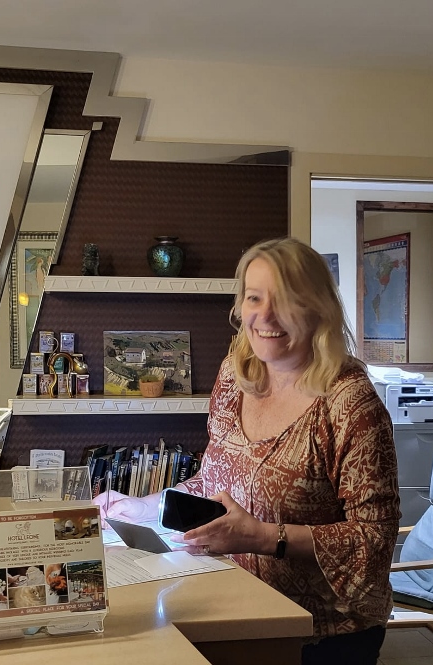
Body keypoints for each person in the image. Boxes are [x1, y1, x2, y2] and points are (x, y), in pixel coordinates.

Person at [97, 237, 400, 665]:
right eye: (255, 297)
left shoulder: (350, 402)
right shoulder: (235, 374)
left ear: (319, 309)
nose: (266, 315)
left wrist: (261, 537)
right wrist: (145, 506)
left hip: (322, 633)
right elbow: (214, 480)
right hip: (238, 605)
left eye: (286, 300)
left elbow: (375, 538)